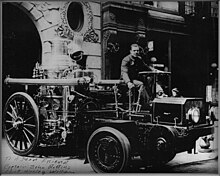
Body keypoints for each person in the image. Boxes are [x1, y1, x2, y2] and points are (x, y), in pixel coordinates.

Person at [121, 44, 164, 109]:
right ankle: (147, 103)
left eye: (137, 51)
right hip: (128, 79)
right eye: (134, 50)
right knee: (141, 84)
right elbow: (124, 72)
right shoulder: (126, 59)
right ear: (130, 51)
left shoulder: (139, 59)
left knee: (149, 80)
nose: (136, 52)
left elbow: (146, 67)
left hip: (135, 78)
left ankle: (155, 98)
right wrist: (128, 82)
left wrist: (155, 71)